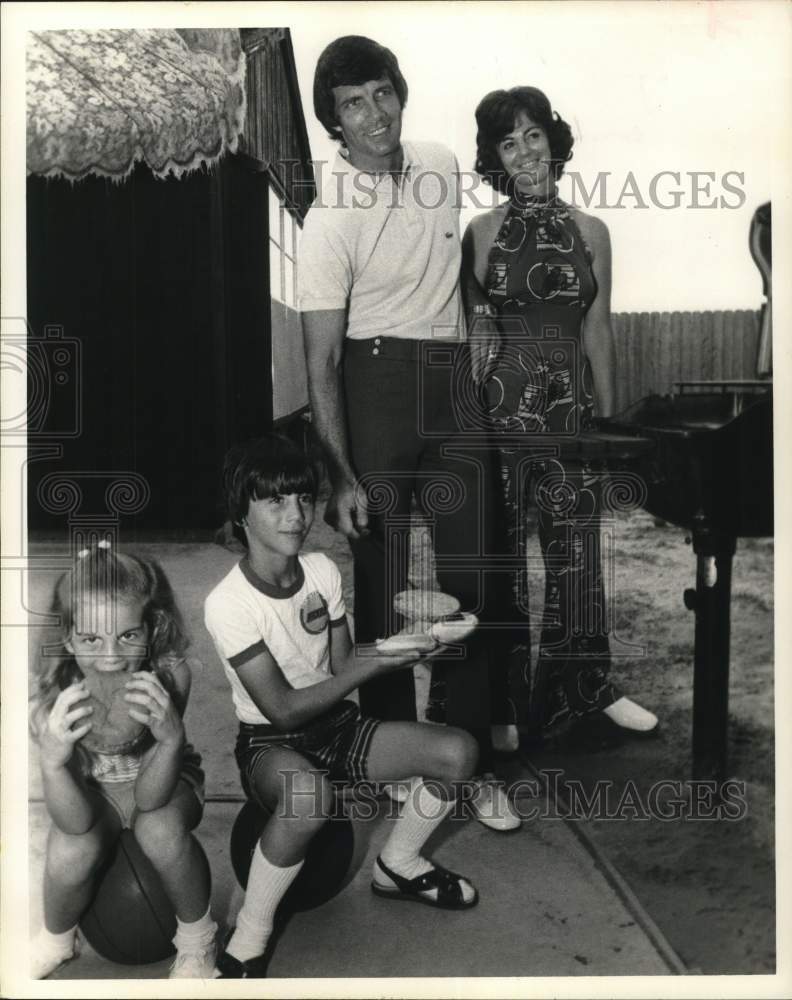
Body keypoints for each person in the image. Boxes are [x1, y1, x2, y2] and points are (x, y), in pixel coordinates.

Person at [298, 34, 521, 831]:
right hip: (374, 383)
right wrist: (341, 475)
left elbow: (446, 256)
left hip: (452, 380)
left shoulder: (437, 164)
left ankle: (473, 760)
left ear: (400, 90)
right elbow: (320, 363)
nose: (373, 114)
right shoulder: (326, 222)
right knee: (385, 587)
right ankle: (398, 758)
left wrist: (480, 307)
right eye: (352, 104)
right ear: (335, 120)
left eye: (380, 92)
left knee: (479, 576)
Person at [204, 434, 482, 978]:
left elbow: (340, 664)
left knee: (458, 752)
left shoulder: (322, 571)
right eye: (275, 501)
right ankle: (251, 934)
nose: (296, 515)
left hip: (337, 725)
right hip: (272, 742)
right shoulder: (228, 603)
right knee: (308, 799)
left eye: (304, 498)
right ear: (240, 512)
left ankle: (398, 864)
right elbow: (281, 709)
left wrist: (410, 643)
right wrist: (375, 665)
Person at [463, 86, 658, 739]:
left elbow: (598, 329)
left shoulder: (593, 233)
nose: (524, 152)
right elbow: (473, 330)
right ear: (496, 157)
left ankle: (582, 688)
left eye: (533, 135)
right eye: (508, 142)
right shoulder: (481, 233)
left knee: (577, 557)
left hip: (572, 417)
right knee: (506, 566)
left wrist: (610, 423)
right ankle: (507, 706)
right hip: (502, 416)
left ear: (554, 139)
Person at [29, 542, 217, 980]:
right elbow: (74, 822)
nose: (111, 656)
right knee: (70, 850)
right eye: (91, 639)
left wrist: (170, 740)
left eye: (128, 635)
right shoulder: (54, 695)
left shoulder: (169, 676)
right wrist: (54, 763)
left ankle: (198, 943)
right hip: (92, 789)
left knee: (159, 827)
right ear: (67, 637)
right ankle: (57, 939)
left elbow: (151, 799)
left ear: (152, 630)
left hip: (165, 779)